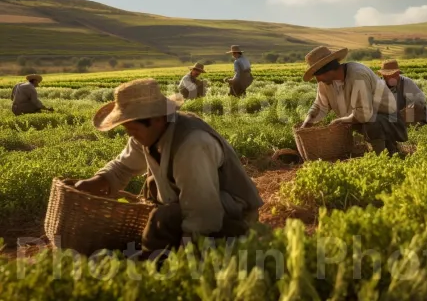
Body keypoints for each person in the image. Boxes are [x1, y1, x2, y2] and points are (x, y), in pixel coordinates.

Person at [74, 78, 263, 257]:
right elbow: (123, 166)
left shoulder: (192, 144)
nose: (131, 135)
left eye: (133, 129)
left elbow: (203, 212)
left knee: (163, 218)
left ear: (156, 119)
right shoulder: (147, 135)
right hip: (194, 206)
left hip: (232, 215)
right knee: (154, 194)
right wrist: (97, 181)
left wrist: (184, 258)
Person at [300, 46, 407, 155]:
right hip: (365, 117)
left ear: (328, 70)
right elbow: (319, 106)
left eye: (317, 75)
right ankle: (391, 148)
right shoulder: (325, 83)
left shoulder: (357, 74)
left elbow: (365, 114)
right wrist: (305, 126)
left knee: (371, 123)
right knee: (348, 123)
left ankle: (382, 157)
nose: (317, 80)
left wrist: (341, 120)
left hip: (389, 119)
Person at [377, 59, 427, 126]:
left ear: (397, 74)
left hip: (406, 118)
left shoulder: (407, 83)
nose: (394, 76)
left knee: (415, 107)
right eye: (387, 75)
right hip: (388, 118)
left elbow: (420, 102)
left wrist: (404, 112)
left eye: (395, 74)